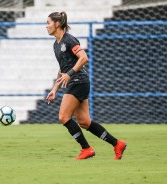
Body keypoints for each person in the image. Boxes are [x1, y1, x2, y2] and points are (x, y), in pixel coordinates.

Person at [45, 11, 127, 160]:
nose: (46, 26)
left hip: (78, 81)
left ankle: (86, 149)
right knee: (84, 122)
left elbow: (84, 57)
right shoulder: (56, 45)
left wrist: (69, 74)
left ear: (57, 24)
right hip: (76, 82)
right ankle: (117, 144)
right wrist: (54, 89)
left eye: (48, 23)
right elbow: (62, 69)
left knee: (63, 117)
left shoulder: (69, 40)